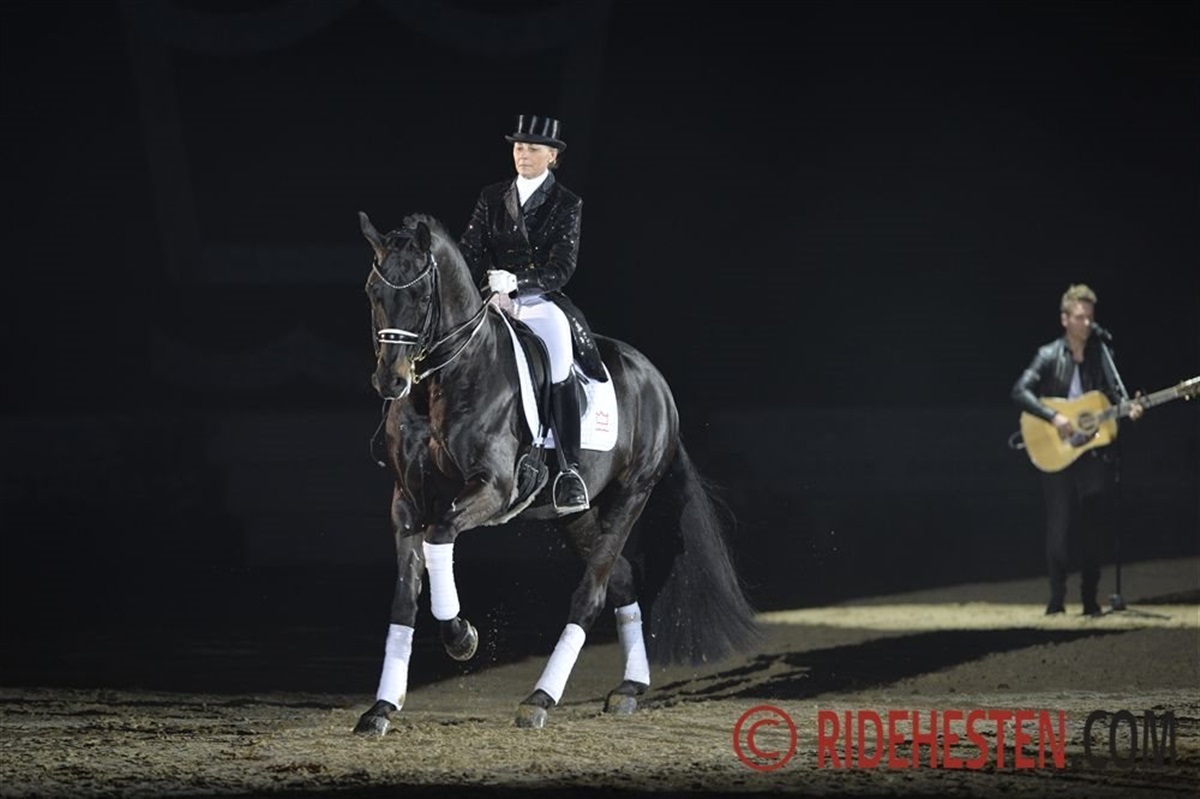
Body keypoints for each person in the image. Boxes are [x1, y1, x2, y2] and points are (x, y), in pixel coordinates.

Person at [458, 114, 598, 515]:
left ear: (551, 156)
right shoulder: (492, 196)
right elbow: (469, 250)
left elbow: (562, 267)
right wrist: (481, 287)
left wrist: (517, 282)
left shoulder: (566, 203)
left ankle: (569, 472)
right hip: (491, 298)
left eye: (533, 149)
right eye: (519, 147)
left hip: (539, 302)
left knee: (558, 359)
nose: (523, 155)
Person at [1011, 283, 1143, 616]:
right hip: (1058, 451)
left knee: (1092, 529)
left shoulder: (1101, 353)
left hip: (1092, 452)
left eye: (1090, 317)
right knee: (1058, 528)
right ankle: (1057, 598)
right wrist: (1053, 416)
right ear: (1065, 319)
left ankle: (1089, 599)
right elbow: (1020, 390)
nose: (1087, 323)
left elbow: (1115, 396)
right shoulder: (1048, 355)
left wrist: (1129, 408)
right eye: (1080, 317)